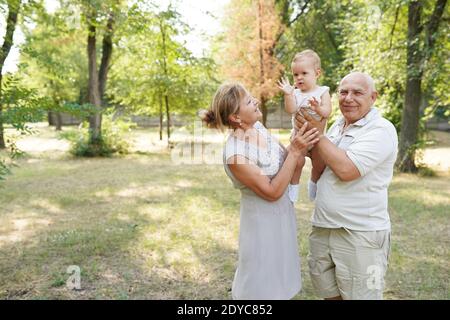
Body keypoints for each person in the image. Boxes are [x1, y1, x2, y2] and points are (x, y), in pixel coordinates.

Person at [200, 82, 319, 300]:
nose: (255, 100)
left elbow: (288, 161)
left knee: (281, 277)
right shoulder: (235, 155)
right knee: (260, 283)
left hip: (283, 216)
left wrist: (299, 148)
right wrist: (294, 152)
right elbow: (272, 192)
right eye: (248, 101)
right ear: (236, 118)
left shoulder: (258, 128)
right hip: (261, 226)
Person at [295, 72, 398, 300]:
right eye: (343, 92)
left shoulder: (381, 130)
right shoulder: (337, 126)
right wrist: (311, 133)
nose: (348, 98)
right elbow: (321, 163)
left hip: (359, 234)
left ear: (373, 97)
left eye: (357, 92)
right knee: (330, 296)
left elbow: (347, 170)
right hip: (324, 228)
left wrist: (318, 134)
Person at [278, 49, 332, 199]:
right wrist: (288, 94)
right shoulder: (295, 93)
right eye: (295, 75)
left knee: (319, 163)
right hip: (299, 136)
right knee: (297, 161)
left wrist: (318, 108)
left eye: (304, 73)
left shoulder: (322, 91)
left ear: (317, 73)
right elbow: (291, 109)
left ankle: (313, 186)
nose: (299, 78)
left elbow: (327, 112)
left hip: (316, 137)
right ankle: (293, 188)